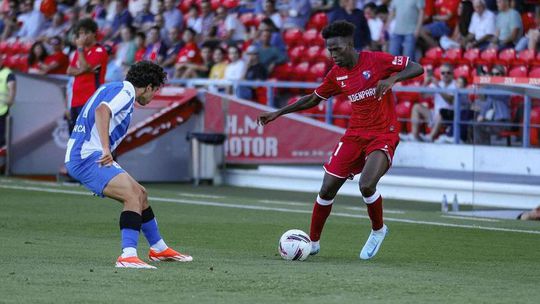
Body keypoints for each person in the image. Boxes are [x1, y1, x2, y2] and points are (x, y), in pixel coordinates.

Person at [257, 21, 423, 260]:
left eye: (337, 49)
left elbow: (417, 67)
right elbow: (313, 99)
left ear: (350, 44)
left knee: (366, 185)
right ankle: (313, 243)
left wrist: (393, 79)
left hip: (383, 133)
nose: (333, 55)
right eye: (329, 50)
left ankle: (378, 230)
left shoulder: (376, 60)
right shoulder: (336, 75)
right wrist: (278, 112)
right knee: (326, 189)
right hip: (354, 135)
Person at [64, 61, 193, 269]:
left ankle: (159, 248)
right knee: (131, 196)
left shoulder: (112, 87)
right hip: (87, 156)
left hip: (84, 154)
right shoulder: (126, 92)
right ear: (149, 87)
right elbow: (102, 110)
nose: (152, 98)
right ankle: (128, 255)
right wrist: (106, 149)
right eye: (155, 92)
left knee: (140, 193)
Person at [66, 18, 108, 134]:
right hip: (75, 100)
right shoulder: (81, 52)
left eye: (85, 33)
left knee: (89, 138)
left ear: (94, 34)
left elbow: (85, 65)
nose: (82, 36)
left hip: (90, 99)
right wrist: (84, 70)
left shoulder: (100, 50)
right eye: (80, 33)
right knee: (75, 139)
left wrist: (80, 50)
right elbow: (69, 70)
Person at [403, 63, 456, 142]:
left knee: (441, 112)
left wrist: (437, 87)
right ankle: (414, 135)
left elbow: (450, 100)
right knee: (416, 107)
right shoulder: (439, 83)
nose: (445, 75)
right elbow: (422, 95)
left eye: (448, 73)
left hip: (449, 116)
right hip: (435, 115)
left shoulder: (455, 84)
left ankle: (430, 137)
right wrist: (425, 82)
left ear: (452, 74)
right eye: (443, 73)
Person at [0, 56, 16, 147]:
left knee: (2, 139)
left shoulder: (8, 73)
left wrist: (10, 100)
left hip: (2, 110)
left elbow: (12, 89)